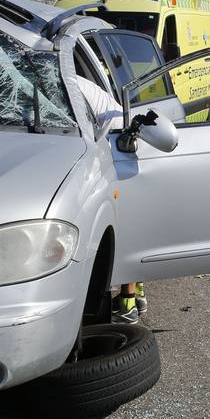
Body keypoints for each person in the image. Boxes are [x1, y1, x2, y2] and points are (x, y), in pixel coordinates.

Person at [74, 73, 146, 324]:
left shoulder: (69, 85)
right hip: (119, 140)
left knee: (124, 225)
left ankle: (127, 304)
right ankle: (137, 291)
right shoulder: (74, 81)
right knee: (130, 222)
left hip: (119, 144)